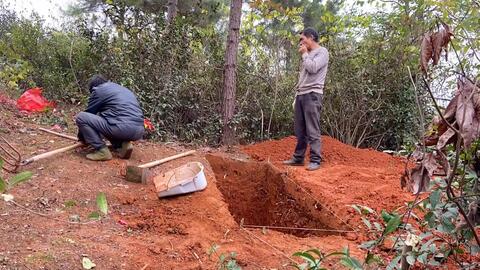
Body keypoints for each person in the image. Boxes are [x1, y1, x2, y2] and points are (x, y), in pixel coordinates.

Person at [283, 28, 329, 171]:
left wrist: (304, 55)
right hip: (301, 94)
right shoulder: (308, 54)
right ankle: (298, 158)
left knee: (312, 129)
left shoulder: (322, 52)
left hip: (313, 94)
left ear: (311, 37)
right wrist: (296, 95)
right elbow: (303, 77)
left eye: (302, 39)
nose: (301, 43)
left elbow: (313, 68)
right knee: (300, 129)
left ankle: (315, 159)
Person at [76, 75, 145, 161]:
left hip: (122, 128)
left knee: (81, 117)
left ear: (93, 88)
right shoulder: (121, 89)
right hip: (139, 130)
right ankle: (121, 145)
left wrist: (82, 137)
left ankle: (102, 151)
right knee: (106, 119)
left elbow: (88, 114)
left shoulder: (98, 91)